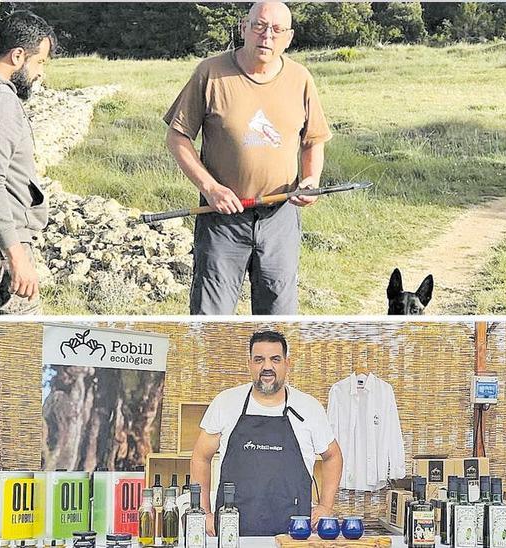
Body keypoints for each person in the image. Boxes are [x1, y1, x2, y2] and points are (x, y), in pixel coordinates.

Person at [164, 1, 331, 315]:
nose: (267, 35)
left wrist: (311, 179)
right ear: (244, 27)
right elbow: (177, 136)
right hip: (221, 220)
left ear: (289, 37)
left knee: (278, 320)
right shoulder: (210, 73)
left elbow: (313, 141)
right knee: (210, 320)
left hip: (280, 216)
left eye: (277, 30)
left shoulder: (301, 78)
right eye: (259, 25)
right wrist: (210, 188)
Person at [190, 330, 343, 537]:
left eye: (275, 359)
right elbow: (200, 456)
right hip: (232, 532)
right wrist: (204, 512)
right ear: (249, 364)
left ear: (287, 364)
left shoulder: (309, 407)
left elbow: (333, 456)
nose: (267, 367)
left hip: (294, 535)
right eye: (259, 359)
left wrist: (325, 506)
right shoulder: (225, 403)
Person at [0, 10, 55, 315]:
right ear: (17, 56)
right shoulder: (1, 99)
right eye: (39, 62)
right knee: (22, 342)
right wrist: (15, 254)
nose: (40, 73)